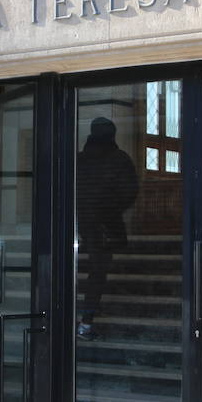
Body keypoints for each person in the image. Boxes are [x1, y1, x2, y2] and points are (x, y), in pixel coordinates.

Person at [75, 116, 138, 340]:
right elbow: (130, 190)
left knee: (88, 271)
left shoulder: (79, 160)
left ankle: (81, 318)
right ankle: (86, 322)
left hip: (81, 224)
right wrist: (111, 209)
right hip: (106, 226)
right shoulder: (119, 159)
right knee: (99, 271)